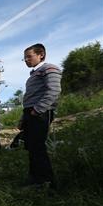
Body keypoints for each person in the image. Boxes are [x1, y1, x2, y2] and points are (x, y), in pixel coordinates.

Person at [20, 43, 62, 187]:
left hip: (40, 113)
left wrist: (37, 110)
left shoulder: (49, 68)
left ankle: (46, 181)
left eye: (29, 56)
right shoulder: (33, 74)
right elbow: (29, 98)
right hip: (31, 113)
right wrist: (23, 118)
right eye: (24, 58)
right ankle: (35, 178)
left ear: (41, 55)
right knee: (31, 146)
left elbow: (54, 90)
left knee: (37, 146)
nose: (26, 60)